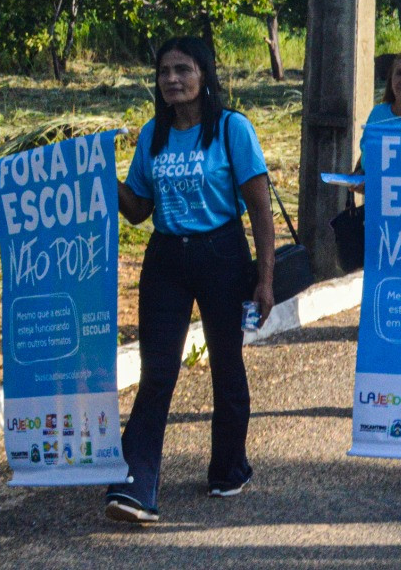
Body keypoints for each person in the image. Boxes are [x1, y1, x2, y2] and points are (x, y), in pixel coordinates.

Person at [105, 38, 276, 525]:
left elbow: (260, 208)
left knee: (226, 362)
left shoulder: (230, 129)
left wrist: (264, 278)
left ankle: (229, 469)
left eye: (183, 69)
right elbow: (138, 210)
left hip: (221, 253)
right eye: (164, 71)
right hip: (165, 259)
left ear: (204, 76)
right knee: (157, 370)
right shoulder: (152, 135)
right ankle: (134, 484)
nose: (172, 79)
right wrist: (104, 179)